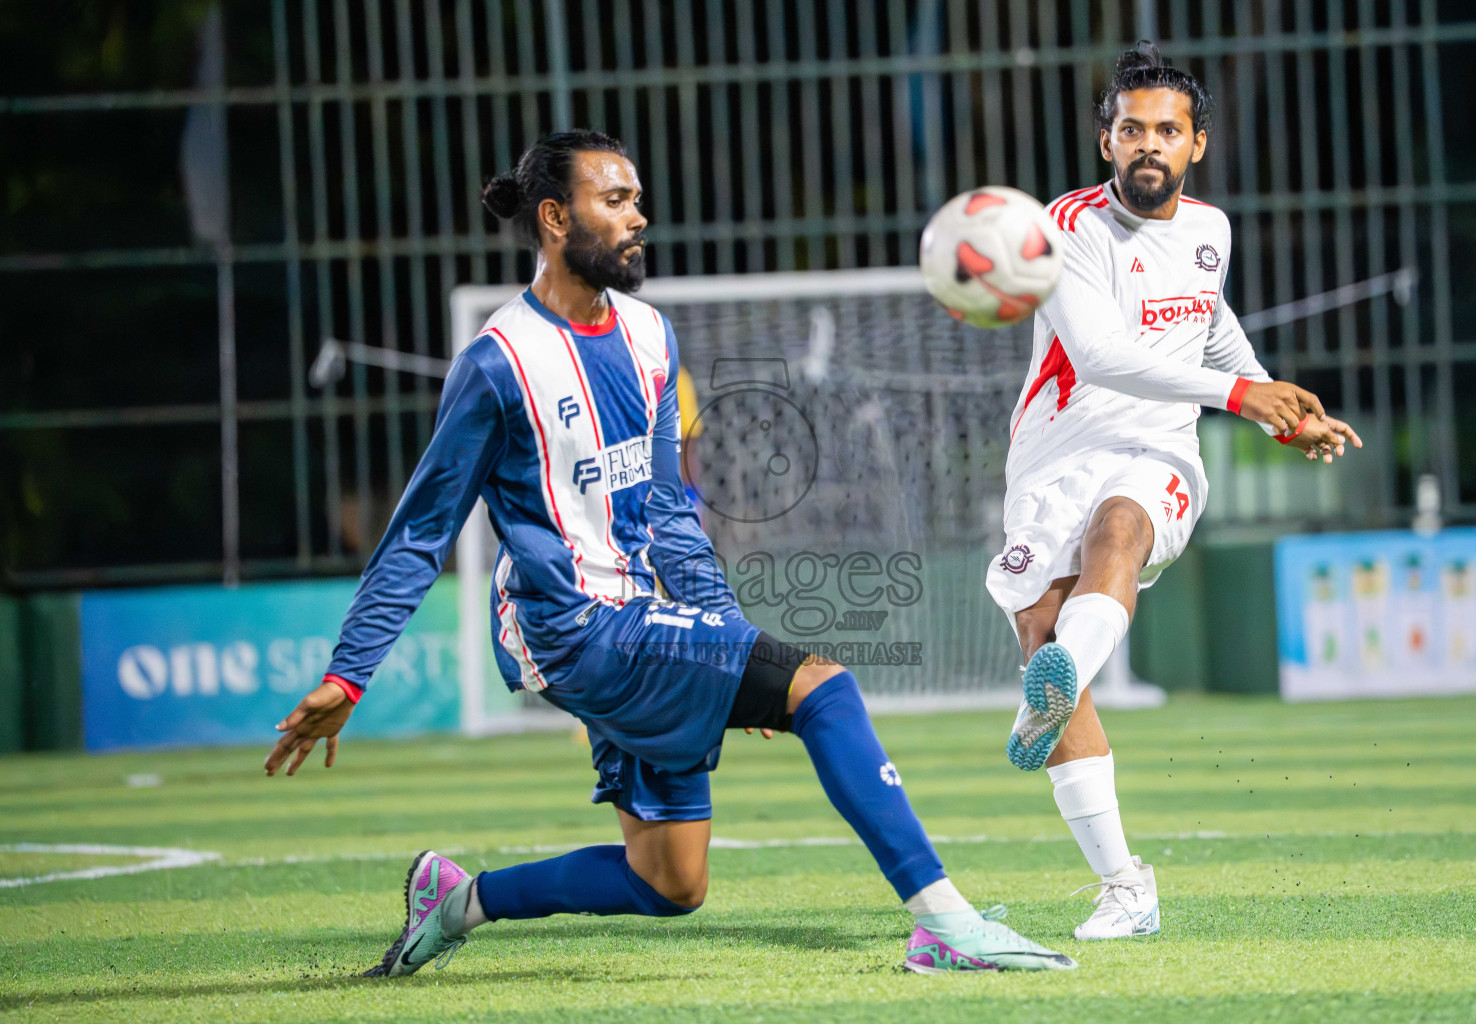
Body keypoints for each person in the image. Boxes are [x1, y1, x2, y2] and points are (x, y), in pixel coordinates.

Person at [263, 130, 1075, 977]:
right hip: (571, 626)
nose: (637, 217)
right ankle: (946, 922)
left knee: (670, 881)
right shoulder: (499, 363)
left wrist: (723, 631)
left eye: (637, 199)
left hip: (642, 612)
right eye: (614, 201)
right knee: (823, 689)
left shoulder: (649, 335)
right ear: (552, 217)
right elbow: (421, 531)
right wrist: (351, 673)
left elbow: (666, 510)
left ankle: (459, 899)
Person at [990, 44, 1363, 941]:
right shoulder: (1066, 227)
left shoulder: (1211, 229)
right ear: (1105, 142)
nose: (1146, 145)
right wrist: (1246, 397)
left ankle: (1061, 678)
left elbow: (1208, 318)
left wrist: (1275, 400)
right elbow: (1102, 356)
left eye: (1166, 130)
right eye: (1130, 130)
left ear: (1197, 143)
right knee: (1044, 627)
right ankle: (1127, 884)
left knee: (1121, 532)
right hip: (1053, 455)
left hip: (1156, 447)